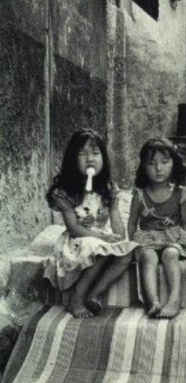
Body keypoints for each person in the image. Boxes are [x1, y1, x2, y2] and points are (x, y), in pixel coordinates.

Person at [45, 128, 137, 318]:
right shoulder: (65, 191)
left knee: (126, 254)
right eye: (82, 154)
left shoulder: (108, 188)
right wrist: (103, 238)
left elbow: (116, 219)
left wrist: (119, 240)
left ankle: (94, 294)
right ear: (72, 160)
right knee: (99, 248)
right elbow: (73, 228)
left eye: (95, 153)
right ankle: (76, 298)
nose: (90, 159)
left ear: (104, 158)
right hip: (78, 240)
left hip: (101, 237)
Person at [128, 138, 186, 318]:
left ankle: (174, 300)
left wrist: (184, 240)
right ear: (144, 166)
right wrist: (132, 244)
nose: (158, 168)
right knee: (148, 256)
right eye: (152, 163)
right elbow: (132, 222)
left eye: (164, 162)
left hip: (173, 238)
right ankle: (152, 301)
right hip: (147, 238)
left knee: (170, 254)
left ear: (174, 163)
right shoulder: (140, 195)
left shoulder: (180, 193)